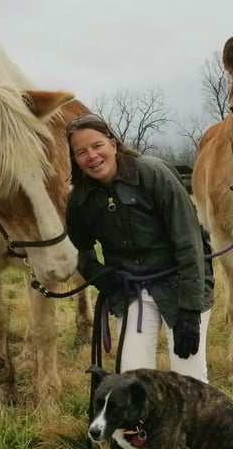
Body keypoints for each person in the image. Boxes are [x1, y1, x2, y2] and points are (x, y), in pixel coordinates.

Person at [65, 113, 214, 385]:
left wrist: (191, 310)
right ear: (75, 159)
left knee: (188, 379)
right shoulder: (79, 199)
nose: (92, 156)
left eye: (97, 145)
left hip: (181, 283)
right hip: (131, 291)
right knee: (132, 381)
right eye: (81, 152)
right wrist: (99, 275)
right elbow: (78, 248)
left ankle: (193, 427)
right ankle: (139, 429)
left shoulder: (152, 173)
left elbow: (189, 242)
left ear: (113, 144)